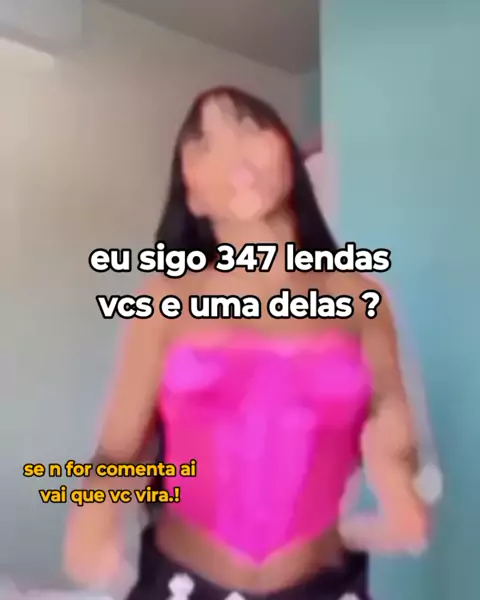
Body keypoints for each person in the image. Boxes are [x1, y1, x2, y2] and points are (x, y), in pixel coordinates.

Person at [64, 87, 429, 600]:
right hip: (182, 584)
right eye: (205, 142)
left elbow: (388, 410)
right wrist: (93, 519)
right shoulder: (165, 297)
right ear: (192, 194)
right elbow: (124, 443)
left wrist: (400, 483)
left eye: (250, 127)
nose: (233, 151)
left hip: (326, 587)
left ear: (288, 157)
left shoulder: (359, 296)